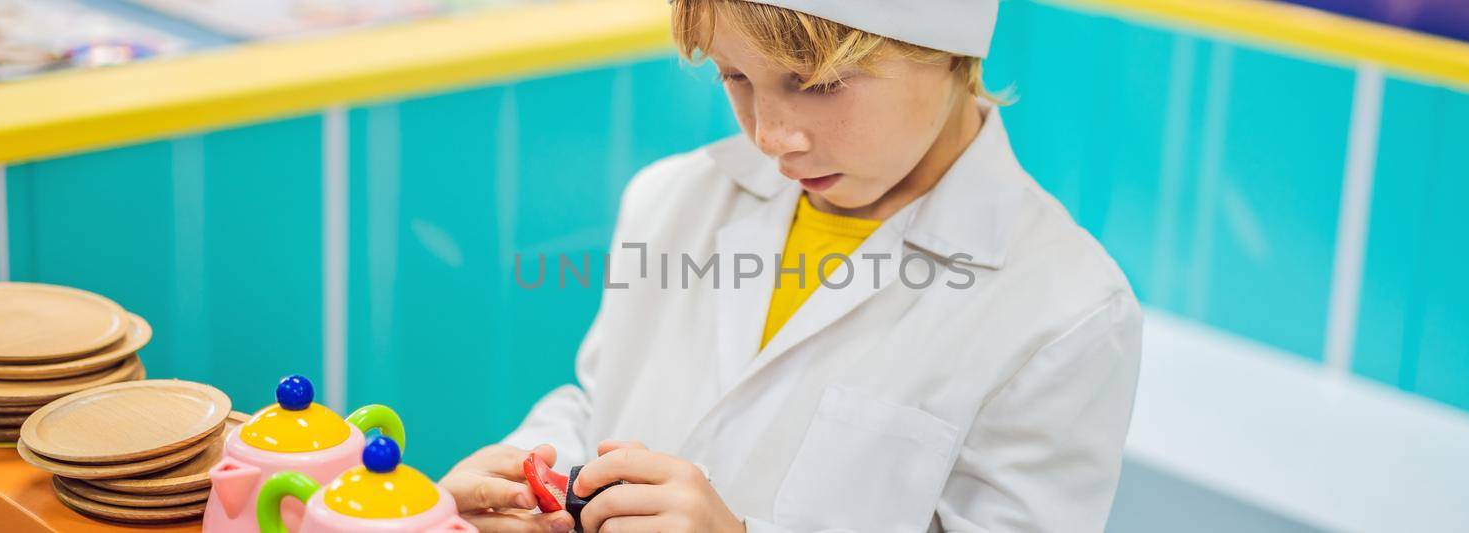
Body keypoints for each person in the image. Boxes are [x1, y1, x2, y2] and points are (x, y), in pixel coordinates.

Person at [440, 1, 1142, 531]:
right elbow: (601, 403)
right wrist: (525, 475)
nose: (772, 135)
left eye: (819, 83)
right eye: (734, 75)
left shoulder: (1065, 311)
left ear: (947, 48)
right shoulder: (673, 197)